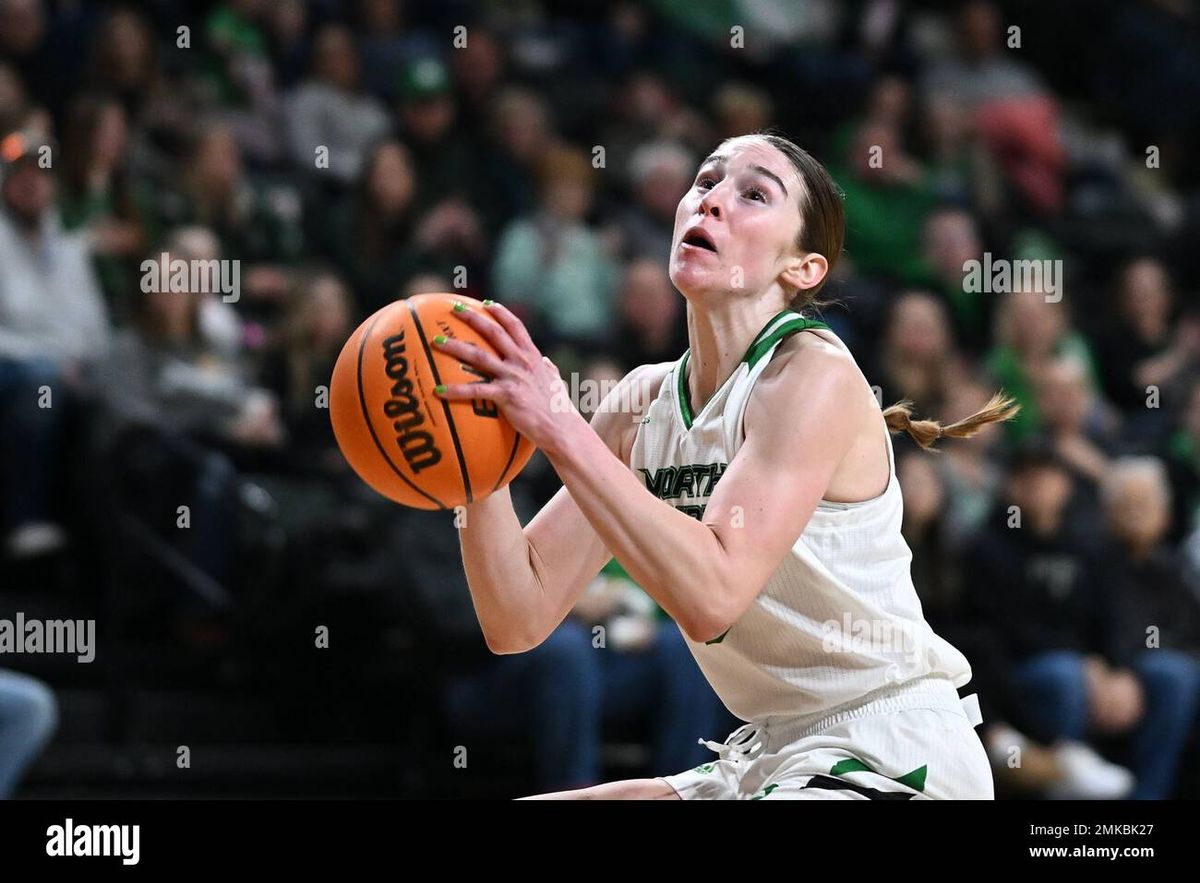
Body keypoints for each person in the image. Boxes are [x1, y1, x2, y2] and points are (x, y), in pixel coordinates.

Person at [434, 132, 1018, 799]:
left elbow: (713, 594)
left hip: (889, 747)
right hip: (770, 753)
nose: (712, 202)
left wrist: (558, 423)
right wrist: (472, 467)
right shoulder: (640, 404)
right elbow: (518, 613)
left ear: (802, 268)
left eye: (753, 194)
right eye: (706, 181)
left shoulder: (811, 373)